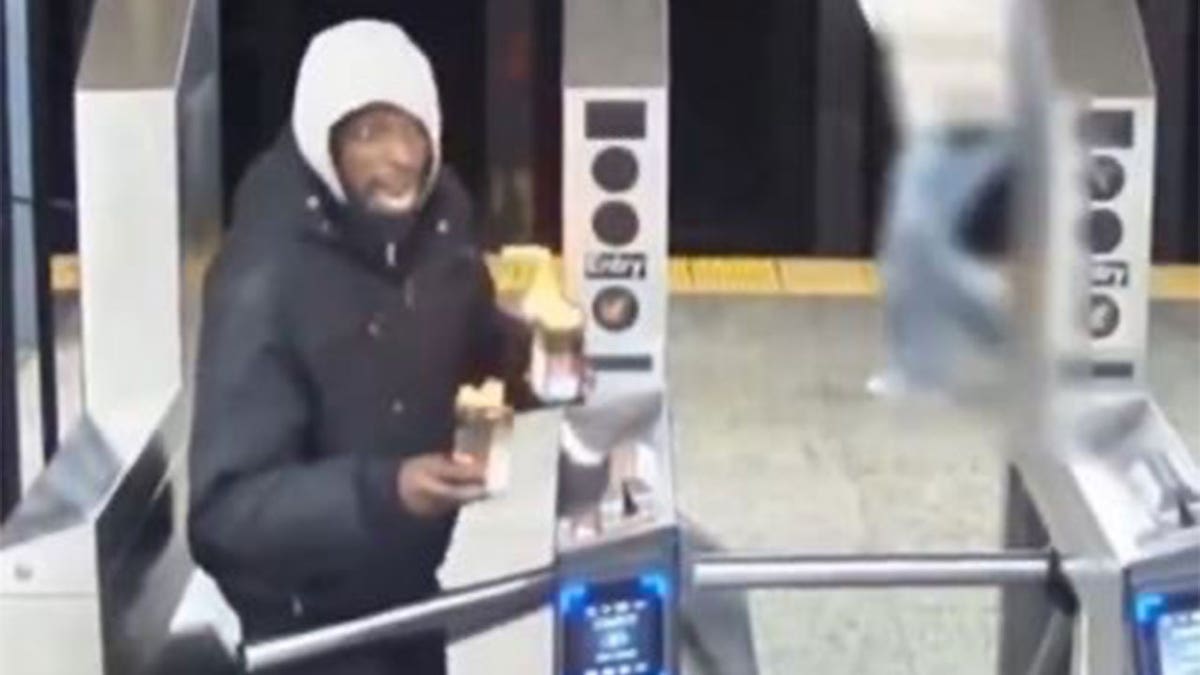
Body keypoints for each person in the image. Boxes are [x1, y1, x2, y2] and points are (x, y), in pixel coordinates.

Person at [188, 20, 541, 675]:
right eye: (367, 132)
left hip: (407, 592)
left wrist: (533, 360)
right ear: (321, 141)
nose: (397, 157)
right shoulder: (263, 279)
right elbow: (225, 514)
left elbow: (470, 337)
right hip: (308, 632)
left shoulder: (443, 216)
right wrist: (387, 492)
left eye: (411, 129)